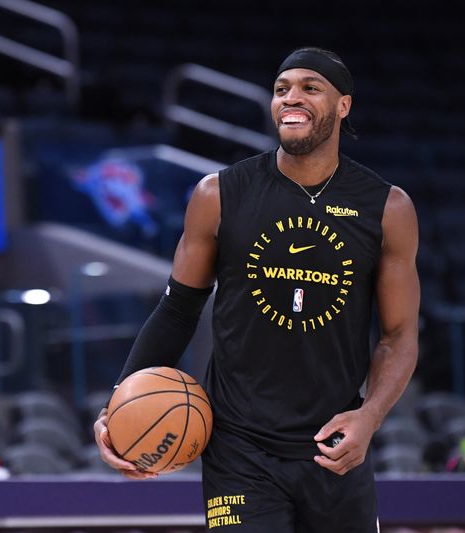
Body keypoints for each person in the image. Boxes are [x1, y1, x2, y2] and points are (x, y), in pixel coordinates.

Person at [93, 46, 420, 532]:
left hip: (333, 447)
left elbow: (398, 335)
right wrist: (118, 400)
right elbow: (177, 310)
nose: (292, 97)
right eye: (282, 89)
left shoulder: (386, 208)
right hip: (239, 450)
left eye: (311, 88)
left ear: (343, 105)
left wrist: (370, 416)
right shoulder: (219, 194)